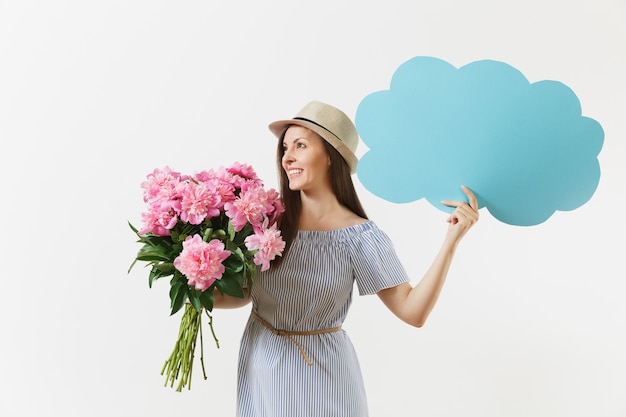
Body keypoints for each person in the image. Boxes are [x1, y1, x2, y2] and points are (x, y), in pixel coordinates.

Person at [214, 100, 479, 416]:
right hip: (262, 363)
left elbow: (413, 312)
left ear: (329, 156)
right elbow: (243, 293)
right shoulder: (267, 222)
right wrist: (196, 289)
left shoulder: (360, 237)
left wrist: (451, 241)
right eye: (285, 147)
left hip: (326, 374)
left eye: (300, 145)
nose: (288, 157)